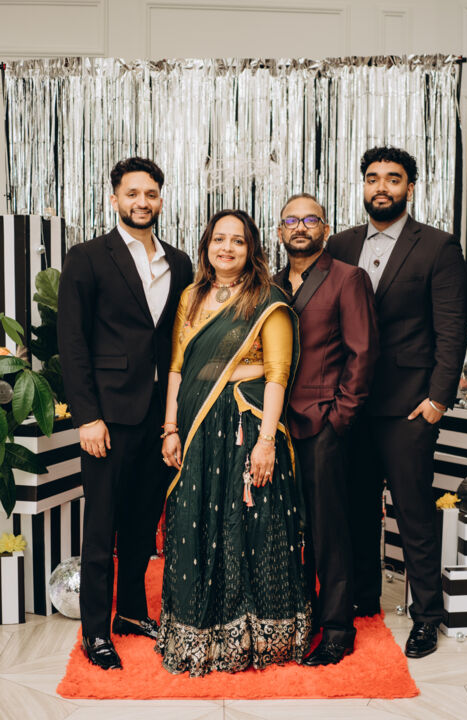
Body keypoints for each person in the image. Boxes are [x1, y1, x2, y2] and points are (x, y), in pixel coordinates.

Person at [155, 209, 311, 676]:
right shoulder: (191, 296)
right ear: (206, 246)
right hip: (196, 425)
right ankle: (197, 633)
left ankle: (258, 635)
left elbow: (279, 374)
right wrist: (170, 428)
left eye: (238, 241)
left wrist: (266, 442)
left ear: (251, 249)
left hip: (246, 425)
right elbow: (178, 367)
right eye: (219, 239)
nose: (227, 248)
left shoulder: (268, 299)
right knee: (194, 521)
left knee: (250, 528)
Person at [328, 146, 467, 658]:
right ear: (363, 185)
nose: (381, 187)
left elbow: (451, 330)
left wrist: (437, 401)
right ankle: (364, 597)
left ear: (410, 187)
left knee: (413, 512)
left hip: (409, 406)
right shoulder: (340, 244)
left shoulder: (437, 246)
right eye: (373, 178)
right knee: (356, 507)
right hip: (350, 403)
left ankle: (427, 615)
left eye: (393, 178)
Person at [58, 157, 193, 670]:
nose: (142, 202)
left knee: (141, 523)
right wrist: (86, 417)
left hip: (160, 418)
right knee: (102, 526)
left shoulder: (179, 262)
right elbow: (72, 342)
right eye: (132, 193)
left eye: (151, 193)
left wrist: (175, 419)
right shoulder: (88, 257)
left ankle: (131, 612)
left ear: (160, 199)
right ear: (114, 199)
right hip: (108, 417)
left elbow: (177, 338)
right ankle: (95, 631)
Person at [274, 194, 379, 666]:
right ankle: (305, 616)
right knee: (289, 528)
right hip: (274, 427)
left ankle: (337, 629)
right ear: (280, 231)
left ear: (325, 228)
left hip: (323, 425)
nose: (300, 227)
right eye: (291, 220)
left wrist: (340, 419)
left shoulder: (347, 278)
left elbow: (363, 353)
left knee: (330, 530)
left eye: (310, 219)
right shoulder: (271, 284)